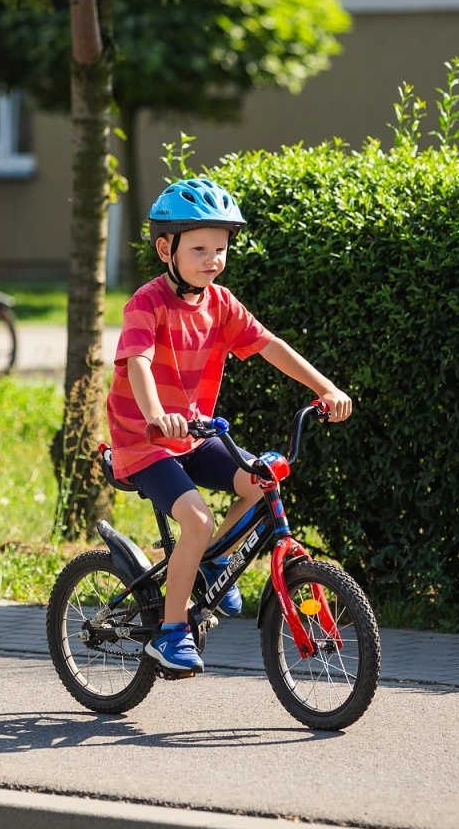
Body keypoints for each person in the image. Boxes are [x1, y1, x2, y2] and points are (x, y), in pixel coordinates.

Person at [106, 179, 353, 675]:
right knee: (196, 520)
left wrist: (327, 388)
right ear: (165, 249)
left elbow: (269, 345)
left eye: (220, 248)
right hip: (145, 440)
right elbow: (137, 363)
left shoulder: (219, 303)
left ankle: (214, 560)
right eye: (199, 248)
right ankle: (171, 633)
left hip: (193, 434)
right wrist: (156, 415)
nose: (213, 259)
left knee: (263, 481)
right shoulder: (146, 303)